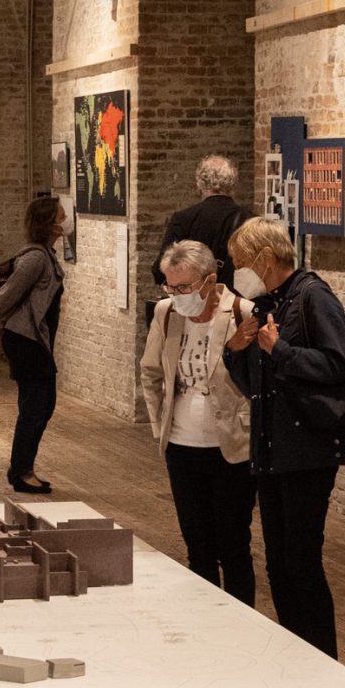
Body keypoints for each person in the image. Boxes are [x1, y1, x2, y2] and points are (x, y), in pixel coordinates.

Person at [222, 215, 345, 655]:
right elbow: (254, 385)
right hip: (271, 450)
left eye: (239, 262)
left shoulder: (313, 296)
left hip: (307, 452)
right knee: (278, 565)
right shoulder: (268, 303)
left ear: (265, 257)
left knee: (302, 562)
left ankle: (322, 659)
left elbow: (339, 365)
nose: (235, 272)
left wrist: (278, 349)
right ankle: (294, 653)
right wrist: (235, 352)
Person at [141, 238, 256, 600]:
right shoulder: (167, 312)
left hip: (230, 446)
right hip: (182, 445)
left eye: (184, 287)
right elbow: (151, 372)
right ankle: (206, 617)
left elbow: (254, 382)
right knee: (197, 543)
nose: (177, 294)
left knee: (233, 544)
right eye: (169, 286)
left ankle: (244, 623)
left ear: (210, 280)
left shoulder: (242, 312)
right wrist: (160, 425)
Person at [0, 191, 66, 494]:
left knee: (37, 405)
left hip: (34, 340)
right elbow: (1, 300)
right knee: (38, 405)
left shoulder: (45, 255)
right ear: (48, 223)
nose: (65, 221)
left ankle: (21, 468)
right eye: (61, 217)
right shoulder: (35, 258)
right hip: (26, 340)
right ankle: (21, 472)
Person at [156, 154, 248, 292]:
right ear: (233, 183)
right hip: (239, 302)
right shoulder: (250, 221)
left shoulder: (183, 219)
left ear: (199, 184)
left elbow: (160, 270)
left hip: (195, 301)